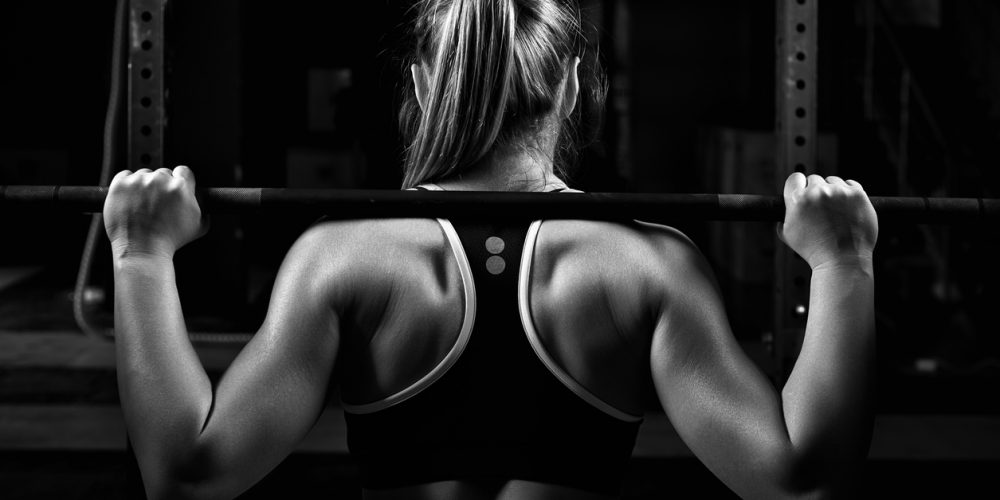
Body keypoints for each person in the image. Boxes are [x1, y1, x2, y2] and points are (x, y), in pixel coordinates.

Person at [103, 0, 878, 499]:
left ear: (418, 85)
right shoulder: (647, 265)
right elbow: (801, 487)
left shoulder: (341, 258)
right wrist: (843, 261)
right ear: (571, 86)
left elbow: (186, 479)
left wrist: (141, 252)